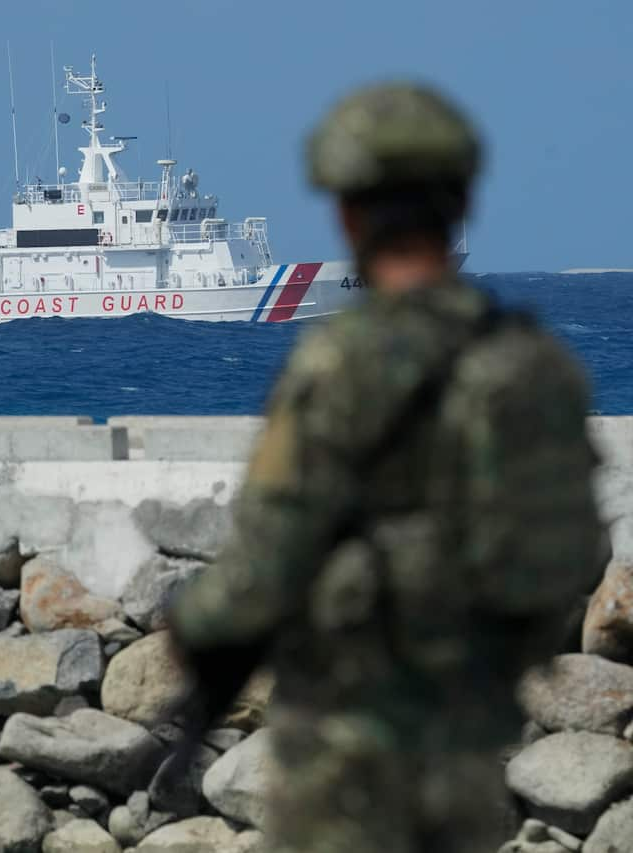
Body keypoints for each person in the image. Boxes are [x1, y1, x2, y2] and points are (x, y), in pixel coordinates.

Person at [169, 83, 605, 853]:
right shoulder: (541, 365)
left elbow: (263, 564)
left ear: (346, 213)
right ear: (464, 199)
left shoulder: (337, 363)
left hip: (343, 759)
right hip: (472, 747)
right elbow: (571, 553)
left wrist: (193, 631)